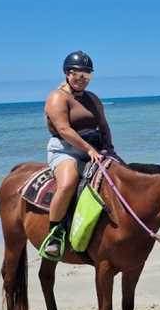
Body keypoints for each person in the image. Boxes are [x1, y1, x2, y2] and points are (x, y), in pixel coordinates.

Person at [40, 51, 114, 261]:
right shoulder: (57, 97)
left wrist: (109, 147)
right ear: (67, 74)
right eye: (77, 74)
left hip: (95, 148)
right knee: (69, 182)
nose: (82, 79)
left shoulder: (92, 99)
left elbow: (103, 125)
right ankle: (55, 233)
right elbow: (63, 129)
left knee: (123, 177)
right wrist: (88, 150)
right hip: (65, 149)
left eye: (86, 75)